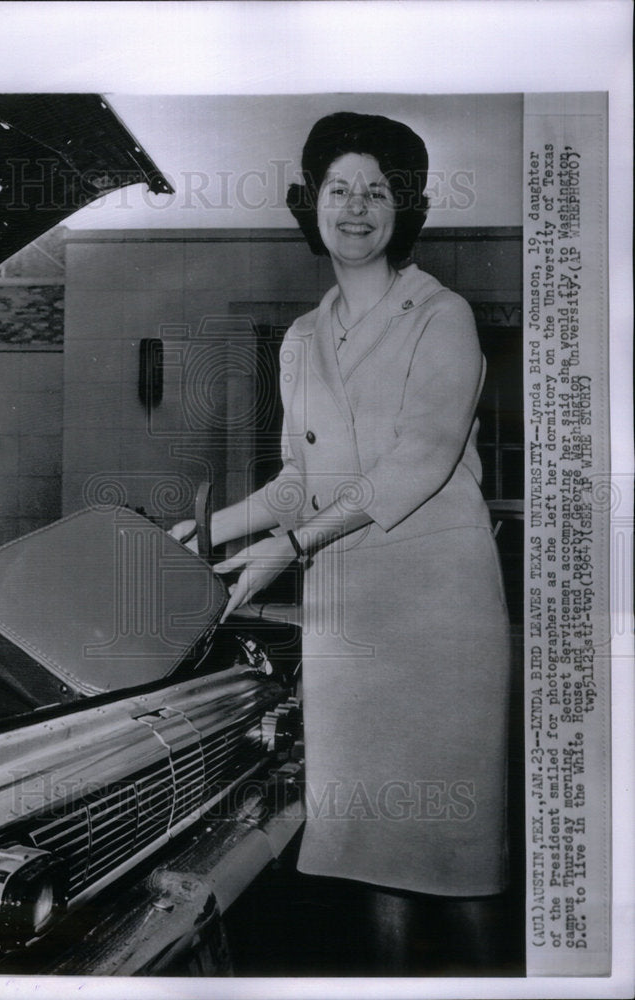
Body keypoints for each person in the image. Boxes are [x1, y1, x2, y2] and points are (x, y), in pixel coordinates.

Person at [170, 112, 512, 973]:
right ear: (309, 204)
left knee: (457, 858)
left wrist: (293, 541)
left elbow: (420, 461)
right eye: (338, 189)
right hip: (348, 617)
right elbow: (298, 480)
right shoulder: (300, 338)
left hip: (439, 614)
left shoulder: (443, 315)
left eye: (378, 191)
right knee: (370, 853)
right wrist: (207, 531)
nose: (356, 208)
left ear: (406, 210)